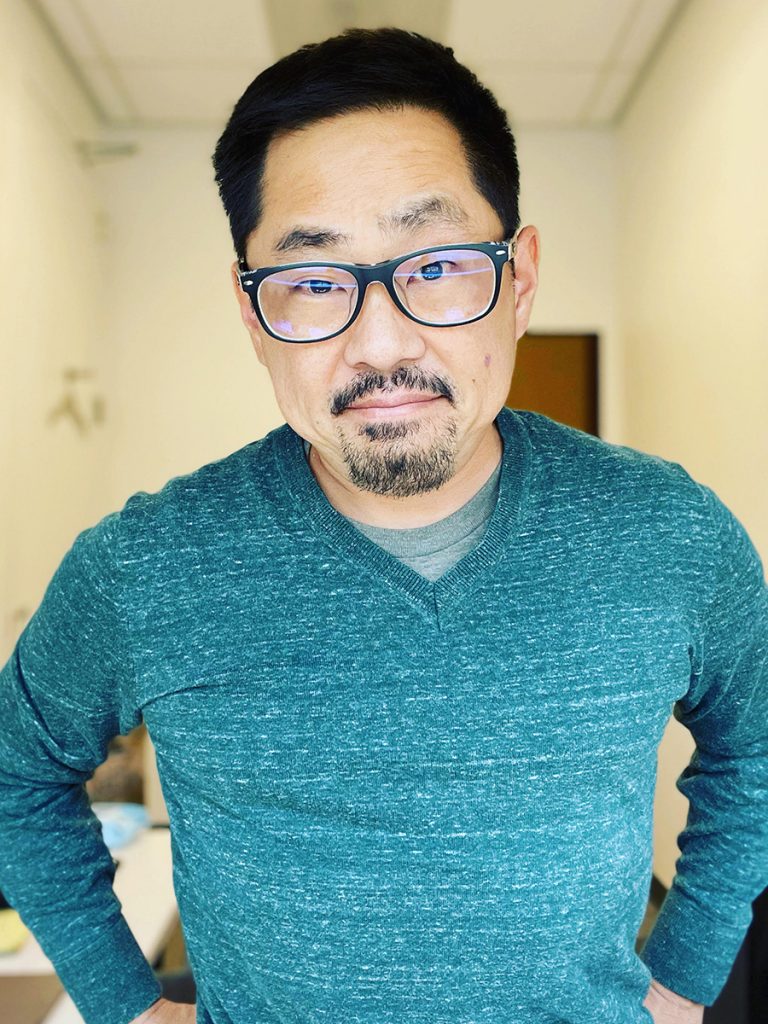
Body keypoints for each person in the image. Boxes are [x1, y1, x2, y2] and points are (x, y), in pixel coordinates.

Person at [0, 26, 765, 1024]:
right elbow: (17, 775)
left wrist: (684, 978)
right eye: (315, 280)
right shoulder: (144, 567)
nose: (381, 341)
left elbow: (754, 752)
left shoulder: (672, 536)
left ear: (520, 279)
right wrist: (126, 1003)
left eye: (437, 264)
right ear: (251, 311)